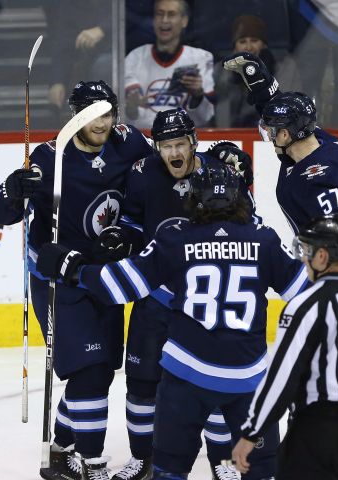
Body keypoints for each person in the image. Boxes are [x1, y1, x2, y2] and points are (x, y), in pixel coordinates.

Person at [37, 164, 308, 480]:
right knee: (261, 472)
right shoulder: (264, 241)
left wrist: (71, 268)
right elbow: (309, 293)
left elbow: (120, 286)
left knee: (168, 471)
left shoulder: (176, 239)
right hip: (247, 382)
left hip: (185, 382)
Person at [0, 80, 154, 480]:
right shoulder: (49, 157)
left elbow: (160, 169)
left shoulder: (128, 143)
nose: (101, 122)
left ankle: (62, 447)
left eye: (108, 112)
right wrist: (13, 190)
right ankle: (94, 463)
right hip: (56, 281)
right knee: (90, 373)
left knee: (98, 368)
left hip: (106, 277)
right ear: (75, 115)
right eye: (91, 113)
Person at [95, 108, 256, 480]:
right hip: (156, 298)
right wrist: (124, 236)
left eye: (179, 143)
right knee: (141, 383)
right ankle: (142, 458)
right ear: (156, 148)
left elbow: (247, 222)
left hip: (204, 302)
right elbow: (135, 221)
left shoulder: (219, 173)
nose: (173, 153)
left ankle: (223, 461)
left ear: (193, 142)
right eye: (165, 146)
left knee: (214, 380)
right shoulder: (143, 175)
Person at [223, 53, 338, 318]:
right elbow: (288, 113)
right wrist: (260, 82)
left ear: (287, 134)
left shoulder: (318, 180)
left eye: (270, 131)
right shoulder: (322, 141)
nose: (267, 135)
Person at [232, 213, 338, 479]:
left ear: (322, 257)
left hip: (318, 432)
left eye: (308, 250)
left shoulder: (306, 304)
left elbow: (282, 378)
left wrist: (252, 432)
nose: (304, 258)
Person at [124, 0, 215, 129]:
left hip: (184, 141)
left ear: (184, 21)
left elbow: (205, 118)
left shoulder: (201, 58)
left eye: (171, 14)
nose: (164, 20)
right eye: (159, 14)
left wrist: (197, 96)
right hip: (144, 141)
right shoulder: (135, 57)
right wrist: (131, 108)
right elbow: (135, 119)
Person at [214, 15, 300, 128]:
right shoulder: (221, 71)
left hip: (271, 134)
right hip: (229, 134)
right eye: (242, 41)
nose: (249, 47)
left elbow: (289, 106)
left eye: (254, 41)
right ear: (234, 47)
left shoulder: (283, 66)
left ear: (264, 45)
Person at [44, 0, 112, 126]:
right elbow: (63, 43)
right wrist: (57, 82)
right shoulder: (70, 5)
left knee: (103, 66)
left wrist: (103, 29)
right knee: (60, 96)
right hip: (85, 64)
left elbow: (133, 15)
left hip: (125, 57)